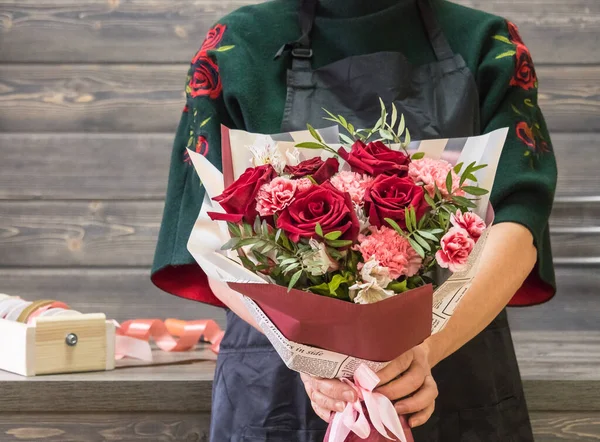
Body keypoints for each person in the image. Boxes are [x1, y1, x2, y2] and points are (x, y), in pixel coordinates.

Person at [151, 0, 557, 440]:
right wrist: (314, 359)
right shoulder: (236, 47)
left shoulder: (487, 44)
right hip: (278, 389)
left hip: (452, 372)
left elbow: (519, 221)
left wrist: (427, 349)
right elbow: (210, 235)